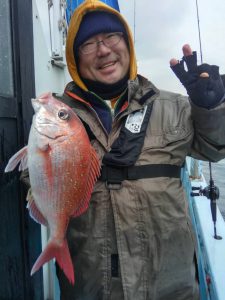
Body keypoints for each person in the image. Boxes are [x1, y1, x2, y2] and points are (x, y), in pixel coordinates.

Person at [49, 0, 225, 299]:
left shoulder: (174, 106)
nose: (103, 50)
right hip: (93, 290)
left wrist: (210, 107)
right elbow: (34, 183)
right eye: (89, 43)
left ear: (128, 44)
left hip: (172, 288)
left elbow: (214, 148)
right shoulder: (56, 116)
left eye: (111, 37)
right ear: (75, 58)